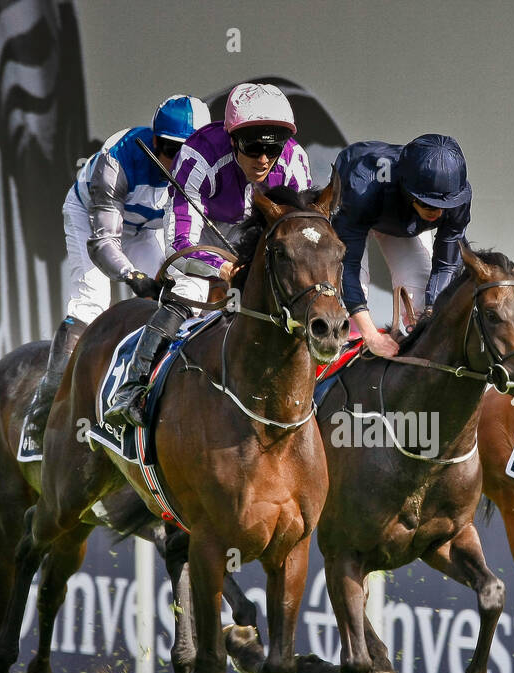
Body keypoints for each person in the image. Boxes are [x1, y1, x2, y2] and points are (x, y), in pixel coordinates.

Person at [104, 82, 312, 429]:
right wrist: (224, 267)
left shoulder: (294, 162)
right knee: (189, 290)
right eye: (252, 146)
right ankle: (132, 389)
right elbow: (181, 245)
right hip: (205, 228)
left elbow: (301, 236)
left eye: (272, 148)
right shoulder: (199, 155)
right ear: (232, 139)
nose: (263, 158)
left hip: (260, 229)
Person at [21, 94, 210, 451]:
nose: (177, 162)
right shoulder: (118, 158)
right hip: (94, 220)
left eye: (189, 153)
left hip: (148, 227)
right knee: (92, 301)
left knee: (184, 298)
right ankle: (44, 410)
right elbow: (104, 242)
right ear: (155, 141)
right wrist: (131, 275)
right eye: (170, 150)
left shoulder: (202, 169)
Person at [330, 134, 472, 357]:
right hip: (359, 209)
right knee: (344, 303)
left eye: (444, 204)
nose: (436, 212)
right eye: (428, 203)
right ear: (405, 186)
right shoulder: (365, 184)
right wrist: (372, 336)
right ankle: (336, 364)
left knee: (422, 301)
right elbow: (348, 263)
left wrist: (430, 310)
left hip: (402, 221)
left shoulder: (458, 195)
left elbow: (446, 263)